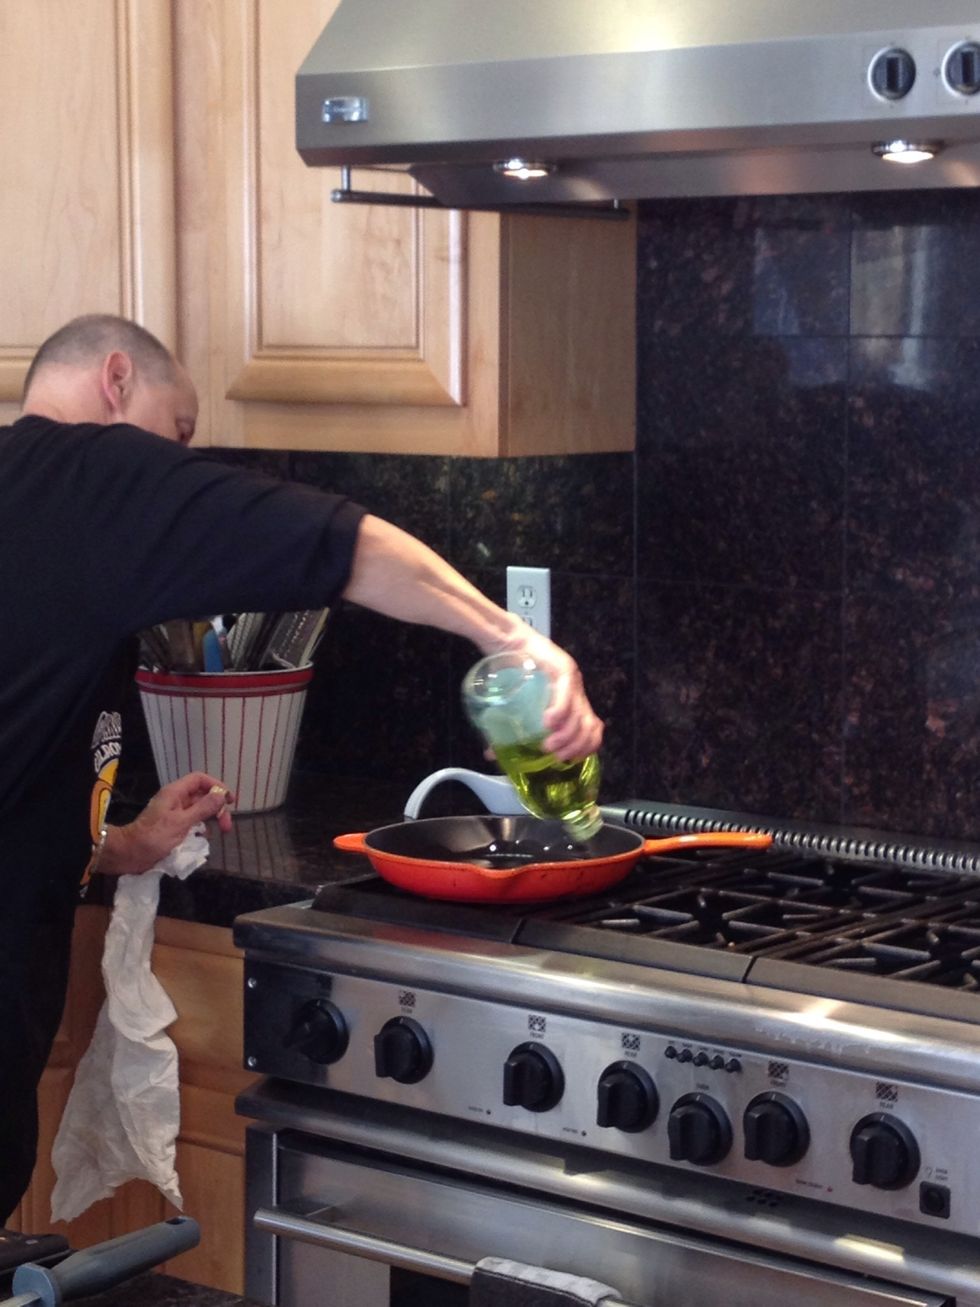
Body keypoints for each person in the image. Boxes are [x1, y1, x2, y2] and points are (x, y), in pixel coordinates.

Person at [0, 313, 603, 1222]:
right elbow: (337, 544)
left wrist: (123, 843)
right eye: (184, 431)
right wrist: (514, 638)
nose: (184, 460)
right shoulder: (94, 474)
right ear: (117, 382)